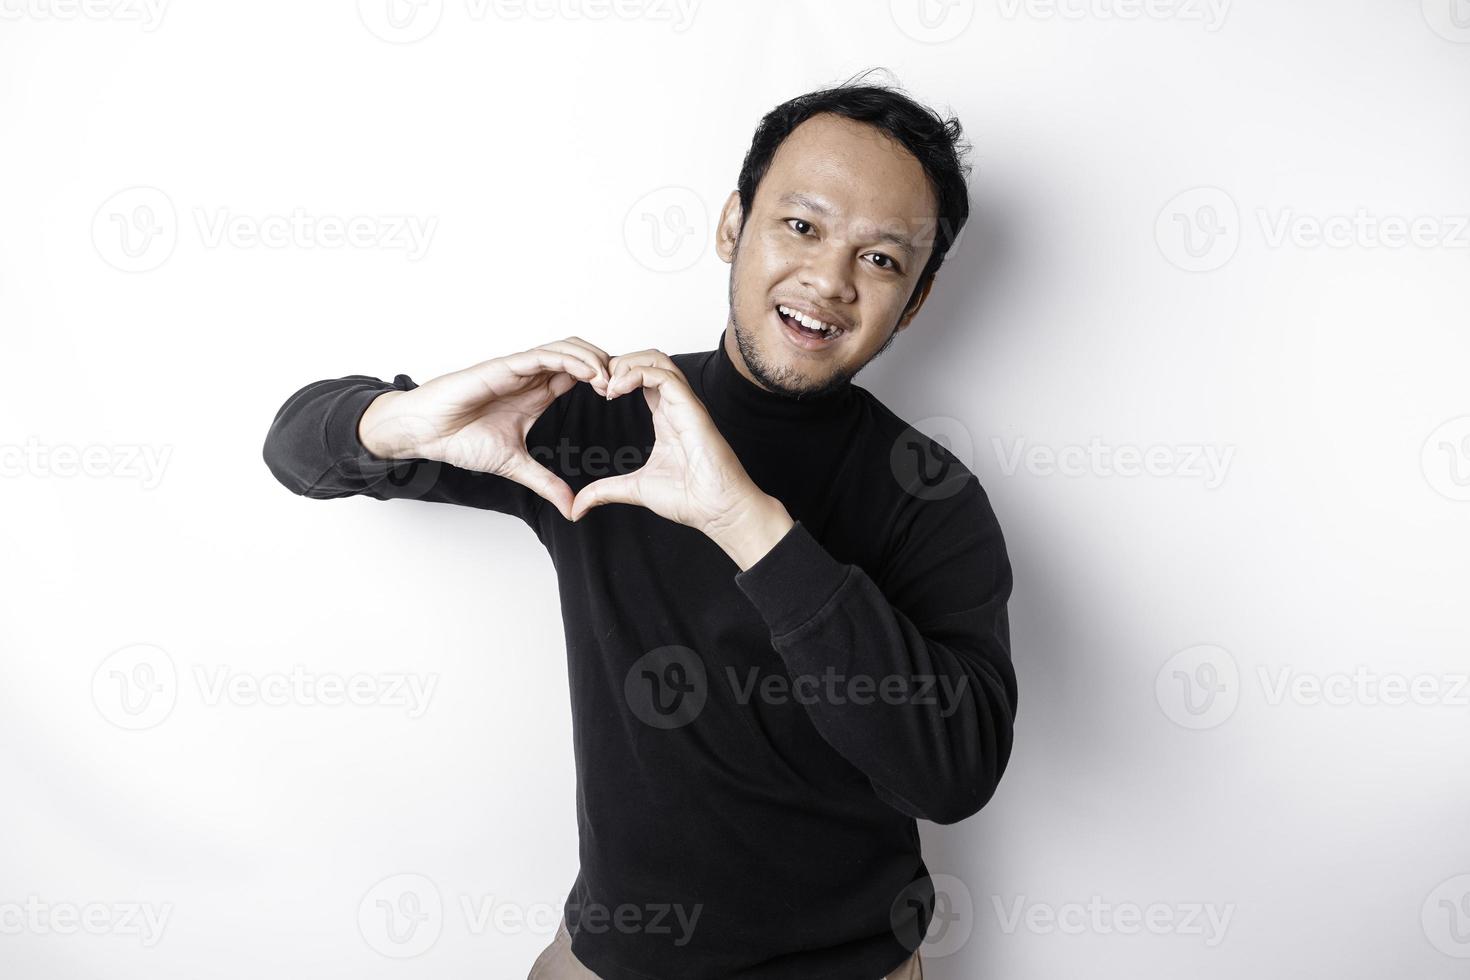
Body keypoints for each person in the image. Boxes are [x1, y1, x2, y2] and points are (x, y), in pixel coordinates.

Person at [262, 70, 1016, 980]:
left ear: (918, 299)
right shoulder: (606, 420)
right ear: (733, 224)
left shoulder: (926, 494)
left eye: (882, 258)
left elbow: (954, 774)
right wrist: (396, 419)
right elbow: (294, 448)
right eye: (802, 226)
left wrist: (749, 523)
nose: (828, 280)